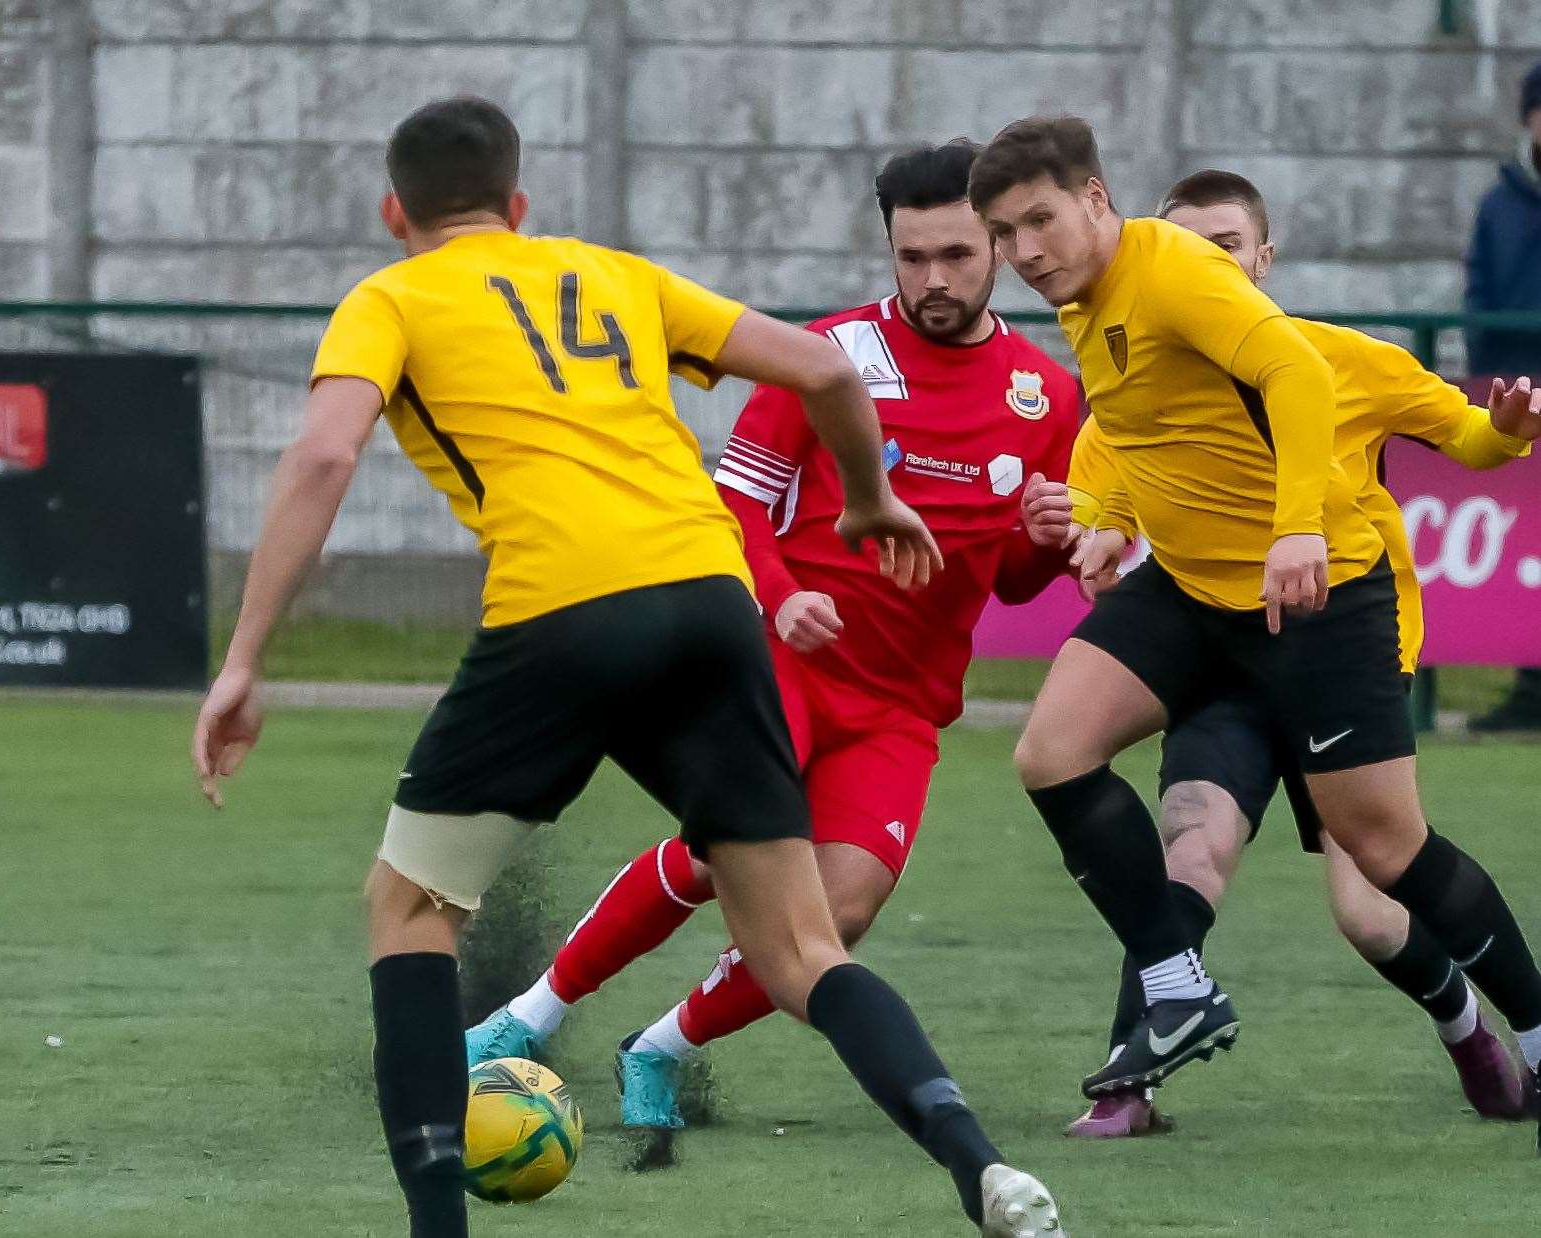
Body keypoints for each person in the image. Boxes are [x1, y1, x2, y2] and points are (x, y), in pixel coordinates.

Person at [190, 98, 1060, 1237]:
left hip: (556, 611)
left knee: (409, 904)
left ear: (393, 210)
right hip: (710, 601)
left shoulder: (387, 296)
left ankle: (432, 1227)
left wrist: (244, 658)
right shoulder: (614, 274)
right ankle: (980, 1165)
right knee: (801, 944)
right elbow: (824, 371)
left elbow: (322, 450)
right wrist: (869, 496)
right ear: (520, 205)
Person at [463, 141, 1079, 1148]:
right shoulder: (825, 358)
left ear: (999, 250)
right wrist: (784, 598)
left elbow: (1005, 575)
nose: (933, 277)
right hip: (781, 664)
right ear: (888, 246)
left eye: (957, 255)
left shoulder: (1044, 398)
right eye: (912, 254)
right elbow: (736, 504)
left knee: (841, 911)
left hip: (902, 704)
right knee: (722, 855)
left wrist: (1047, 546)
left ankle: (658, 1043)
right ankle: (525, 1016)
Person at [967, 118, 1541, 1139]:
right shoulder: (1091, 304)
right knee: (1053, 753)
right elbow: (1146, 445)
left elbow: (1303, 378)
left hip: (1318, 601)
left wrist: (1295, 531)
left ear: (1097, 199)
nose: (1024, 250)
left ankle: (1531, 1030)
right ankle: (1177, 988)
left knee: (1387, 857)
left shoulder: (1175, 277)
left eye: (1040, 220)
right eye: (1005, 233)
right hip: (1198, 596)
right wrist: (1101, 529)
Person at [1466, 58, 1541, 733]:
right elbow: (1479, 293)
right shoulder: (1499, 203)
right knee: (1527, 541)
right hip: (1521, 400)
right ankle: (1528, 684)